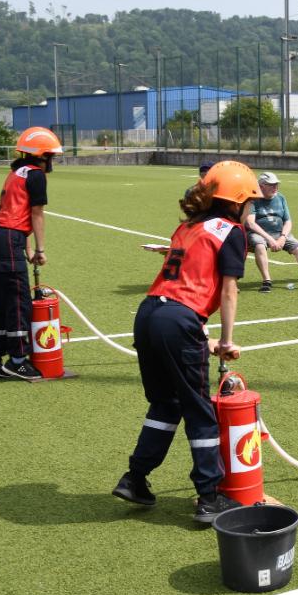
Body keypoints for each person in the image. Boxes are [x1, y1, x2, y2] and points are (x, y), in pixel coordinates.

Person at [112, 160, 259, 525]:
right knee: (199, 411)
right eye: (250, 202)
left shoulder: (189, 225)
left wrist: (201, 334)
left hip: (149, 314)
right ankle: (209, 498)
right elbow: (228, 290)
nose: (251, 209)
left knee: (165, 404)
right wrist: (226, 340)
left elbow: (186, 282)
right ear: (237, 201)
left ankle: (135, 478)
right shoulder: (232, 231)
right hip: (178, 319)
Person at [0, 127, 63, 381]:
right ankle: (17, 361)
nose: (52, 161)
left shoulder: (16, 172)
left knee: (1, 301)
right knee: (18, 301)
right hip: (7, 239)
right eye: (51, 156)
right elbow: (36, 213)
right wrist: (40, 249)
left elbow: (14, 210)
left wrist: (27, 248)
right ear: (42, 155)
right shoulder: (36, 175)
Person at [246, 171, 298, 293]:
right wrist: (270, 239)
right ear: (261, 186)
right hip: (259, 234)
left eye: (276, 184)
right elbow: (250, 223)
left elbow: (288, 221)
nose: (275, 187)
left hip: (280, 233)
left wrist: (283, 237)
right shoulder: (253, 200)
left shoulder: (280, 198)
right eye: (271, 185)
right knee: (259, 245)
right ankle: (267, 281)